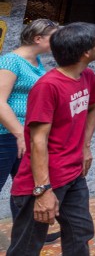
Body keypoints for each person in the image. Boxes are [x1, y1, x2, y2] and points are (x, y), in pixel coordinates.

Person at [8, 22, 95, 256]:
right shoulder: (48, 86)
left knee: (80, 232)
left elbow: (93, 108)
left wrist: (85, 146)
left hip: (73, 174)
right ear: (86, 52)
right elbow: (37, 141)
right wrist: (43, 191)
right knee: (27, 245)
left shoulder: (87, 76)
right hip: (42, 180)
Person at [0, 20, 56, 221]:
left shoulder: (37, 62)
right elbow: (0, 101)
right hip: (6, 135)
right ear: (37, 38)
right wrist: (18, 133)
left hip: (26, 133)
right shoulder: (10, 61)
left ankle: (25, 232)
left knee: (25, 186)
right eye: (53, 37)